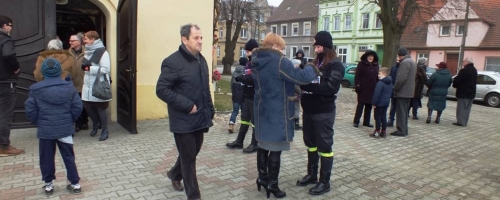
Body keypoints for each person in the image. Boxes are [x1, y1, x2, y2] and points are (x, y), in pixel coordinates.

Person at [251, 33, 318, 199]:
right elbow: (301, 78)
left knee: (263, 145)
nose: (283, 51)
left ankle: (262, 178)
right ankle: (273, 184)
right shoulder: (279, 61)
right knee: (276, 147)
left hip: (262, 109)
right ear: (274, 46)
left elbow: (274, 80)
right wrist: (312, 66)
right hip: (277, 111)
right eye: (281, 48)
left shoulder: (257, 60)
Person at [156, 23, 214, 200]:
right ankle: (194, 196)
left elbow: (204, 88)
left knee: (192, 152)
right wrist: (187, 105)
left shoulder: (201, 59)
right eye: (196, 38)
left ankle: (174, 174)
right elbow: (162, 89)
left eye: (201, 37)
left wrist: (210, 109)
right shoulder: (172, 62)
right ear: (184, 39)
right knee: (189, 159)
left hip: (200, 117)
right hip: (183, 120)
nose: (200, 41)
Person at [24, 58, 83, 195]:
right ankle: (75, 184)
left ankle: (49, 185)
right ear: (59, 71)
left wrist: (38, 122)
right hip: (65, 129)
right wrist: (70, 120)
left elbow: (30, 109)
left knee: (46, 158)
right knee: (68, 157)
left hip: (45, 130)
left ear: (43, 72)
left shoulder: (35, 89)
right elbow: (77, 106)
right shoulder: (69, 87)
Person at [296, 31, 345, 196]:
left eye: (318, 46)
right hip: (308, 110)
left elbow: (330, 88)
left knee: (324, 146)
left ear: (326, 47)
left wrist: (306, 86)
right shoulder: (314, 63)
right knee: (310, 143)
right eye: (315, 46)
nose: (316, 50)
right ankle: (311, 174)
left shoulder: (336, 65)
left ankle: (324, 181)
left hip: (323, 112)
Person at [226, 39, 259, 153]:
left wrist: (241, 78)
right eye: (246, 51)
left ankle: (255, 144)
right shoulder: (248, 63)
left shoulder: (257, 62)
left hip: (255, 97)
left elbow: (253, 79)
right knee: (245, 119)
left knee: (255, 122)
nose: (246, 53)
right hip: (247, 95)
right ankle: (239, 141)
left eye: (248, 51)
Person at [0, 15, 24, 156]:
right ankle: (4, 146)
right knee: (5, 115)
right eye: (10, 25)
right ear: (4, 26)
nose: (11, 28)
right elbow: (8, 55)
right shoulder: (5, 40)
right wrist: (15, 68)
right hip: (5, 82)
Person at [81, 31, 112, 141]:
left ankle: (105, 130)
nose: (84, 41)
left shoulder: (102, 52)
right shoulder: (87, 51)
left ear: (93, 39)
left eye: (86, 39)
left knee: (101, 108)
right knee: (88, 106)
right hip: (87, 84)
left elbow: (106, 69)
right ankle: (95, 124)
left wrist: (89, 69)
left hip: (98, 84)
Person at [391, 47, 416, 137]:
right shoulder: (412, 61)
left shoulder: (404, 63)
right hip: (409, 92)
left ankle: (401, 130)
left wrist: (395, 88)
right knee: (404, 112)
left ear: (400, 55)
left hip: (402, 92)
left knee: (401, 112)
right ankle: (404, 129)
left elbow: (401, 79)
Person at [353, 50, 379, 128]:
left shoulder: (376, 65)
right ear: (366, 57)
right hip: (363, 88)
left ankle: (366, 122)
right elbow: (357, 76)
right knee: (360, 106)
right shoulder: (361, 64)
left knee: (369, 106)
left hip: (372, 89)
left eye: (372, 56)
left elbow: (377, 77)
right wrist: (357, 85)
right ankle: (356, 121)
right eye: (369, 56)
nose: (370, 57)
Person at [69, 33, 88, 132]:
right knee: (75, 104)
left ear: (79, 42)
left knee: (84, 104)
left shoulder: (87, 52)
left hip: (84, 82)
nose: (70, 43)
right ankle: (78, 123)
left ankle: (85, 121)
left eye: (72, 41)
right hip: (72, 83)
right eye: (70, 41)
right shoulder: (68, 53)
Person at [452, 57, 477, 127]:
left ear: (467, 62)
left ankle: (461, 122)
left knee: (461, 108)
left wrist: (455, 83)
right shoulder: (474, 70)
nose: (463, 62)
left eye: (463, 61)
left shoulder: (464, 70)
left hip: (463, 92)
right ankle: (464, 121)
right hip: (471, 92)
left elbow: (458, 80)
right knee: (467, 108)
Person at [370, 67, 393, 138]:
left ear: (384, 74)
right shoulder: (390, 83)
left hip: (379, 103)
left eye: (379, 74)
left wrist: (374, 103)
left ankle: (377, 132)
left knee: (378, 118)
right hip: (385, 103)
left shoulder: (380, 83)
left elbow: (376, 94)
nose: (378, 75)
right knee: (383, 117)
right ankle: (383, 132)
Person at [228, 57, 246, 133]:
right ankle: (243, 127)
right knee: (244, 111)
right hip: (244, 95)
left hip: (235, 94)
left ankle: (231, 123)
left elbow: (231, 83)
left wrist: (233, 92)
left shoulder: (235, 72)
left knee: (235, 110)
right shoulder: (246, 72)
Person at [387, 58, 399, 127]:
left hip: (400, 90)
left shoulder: (402, 68)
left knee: (398, 107)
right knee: (393, 105)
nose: (397, 60)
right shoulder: (393, 68)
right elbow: (391, 78)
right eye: (396, 59)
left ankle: (399, 122)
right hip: (393, 89)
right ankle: (391, 120)